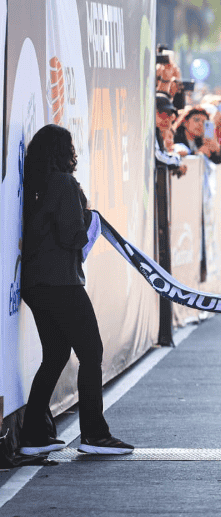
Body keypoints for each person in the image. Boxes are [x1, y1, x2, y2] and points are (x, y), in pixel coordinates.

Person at [18, 124, 134, 455]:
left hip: (35, 282)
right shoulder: (64, 184)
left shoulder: (35, 184)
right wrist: (87, 221)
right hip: (62, 282)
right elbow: (72, 236)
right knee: (91, 352)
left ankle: (33, 436)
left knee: (55, 355)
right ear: (63, 151)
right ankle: (94, 435)